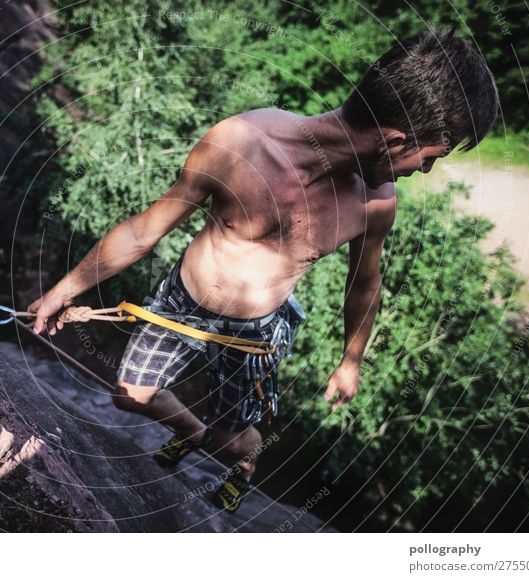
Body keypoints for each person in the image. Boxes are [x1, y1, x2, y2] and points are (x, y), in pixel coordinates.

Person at [28, 28, 499, 513]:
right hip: (181, 305)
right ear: (395, 141)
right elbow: (146, 230)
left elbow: (364, 284)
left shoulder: (374, 204)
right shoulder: (243, 142)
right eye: (430, 159)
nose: (423, 172)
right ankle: (193, 432)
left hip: (255, 335)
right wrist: (66, 288)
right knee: (130, 396)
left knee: (235, 441)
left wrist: (351, 360)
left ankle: (243, 465)